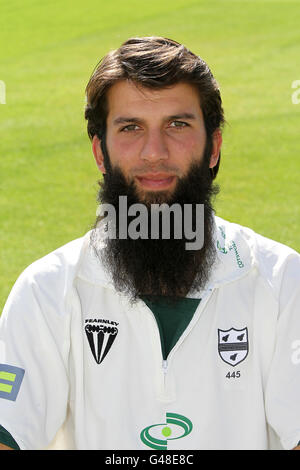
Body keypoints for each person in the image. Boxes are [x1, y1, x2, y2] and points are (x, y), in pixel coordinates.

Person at [0, 36, 300, 451]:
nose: (154, 152)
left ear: (213, 146)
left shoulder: (283, 281)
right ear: (100, 152)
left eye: (177, 125)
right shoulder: (46, 291)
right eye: (130, 128)